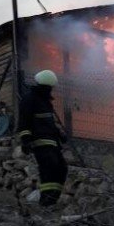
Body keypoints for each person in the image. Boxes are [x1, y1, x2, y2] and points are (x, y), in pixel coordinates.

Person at [17, 69, 68, 207]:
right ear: (43, 86)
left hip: (52, 141)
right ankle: (46, 202)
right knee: (49, 168)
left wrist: (59, 134)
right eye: (49, 87)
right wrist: (26, 140)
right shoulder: (29, 99)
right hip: (39, 141)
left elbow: (48, 123)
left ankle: (52, 200)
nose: (50, 90)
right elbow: (24, 121)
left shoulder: (45, 101)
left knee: (62, 168)